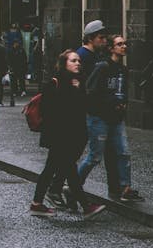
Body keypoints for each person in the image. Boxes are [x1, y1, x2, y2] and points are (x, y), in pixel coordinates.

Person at [29, 50, 106, 219]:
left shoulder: (79, 82)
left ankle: (37, 203)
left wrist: (79, 91)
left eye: (78, 60)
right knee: (69, 170)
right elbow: (51, 110)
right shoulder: (55, 82)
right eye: (73, 60)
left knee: (51, 170)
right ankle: (86, 206)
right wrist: (75, 92)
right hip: (59, 136)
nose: (77, 63)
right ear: (64, 63)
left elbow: (84, 107)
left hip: (72, 135)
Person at [48, 19, 114, 207]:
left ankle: (62, 190)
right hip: (81, 113)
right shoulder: (82, 55)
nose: (104, 41)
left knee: (70, 156)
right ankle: (59, 189)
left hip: (88, 111)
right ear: (91, 38)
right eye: (101, 38)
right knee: (70, 156)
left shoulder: (95, 56)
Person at [77, 35, 143, 203]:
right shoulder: (103, 67)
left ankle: (124, 187)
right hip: (99, 118)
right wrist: (111, 102)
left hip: (117, 118)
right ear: (112, 49)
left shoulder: (123, 69)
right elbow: (90, 91)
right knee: (95, 156)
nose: (124, 46)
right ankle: (74, 184)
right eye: (119, 44)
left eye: (125, 43)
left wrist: (124, 103)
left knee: (124, 152)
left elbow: (123, 90)